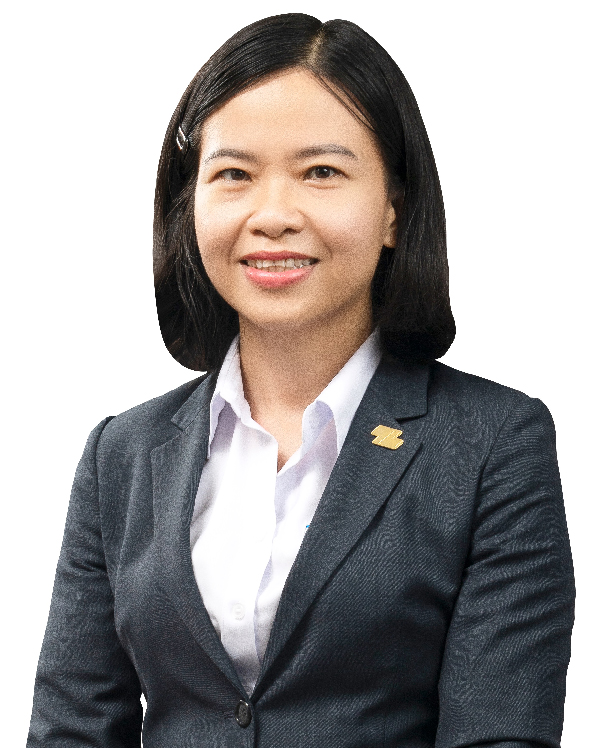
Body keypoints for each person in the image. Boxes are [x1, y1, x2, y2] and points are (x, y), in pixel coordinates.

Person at [26, 13, 575, 748]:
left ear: (393, 211)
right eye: (234, 175)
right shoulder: (120, 454)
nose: (273, 215)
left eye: (321, 172)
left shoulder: (492, 443)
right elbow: (71, 730)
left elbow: (499, 732)